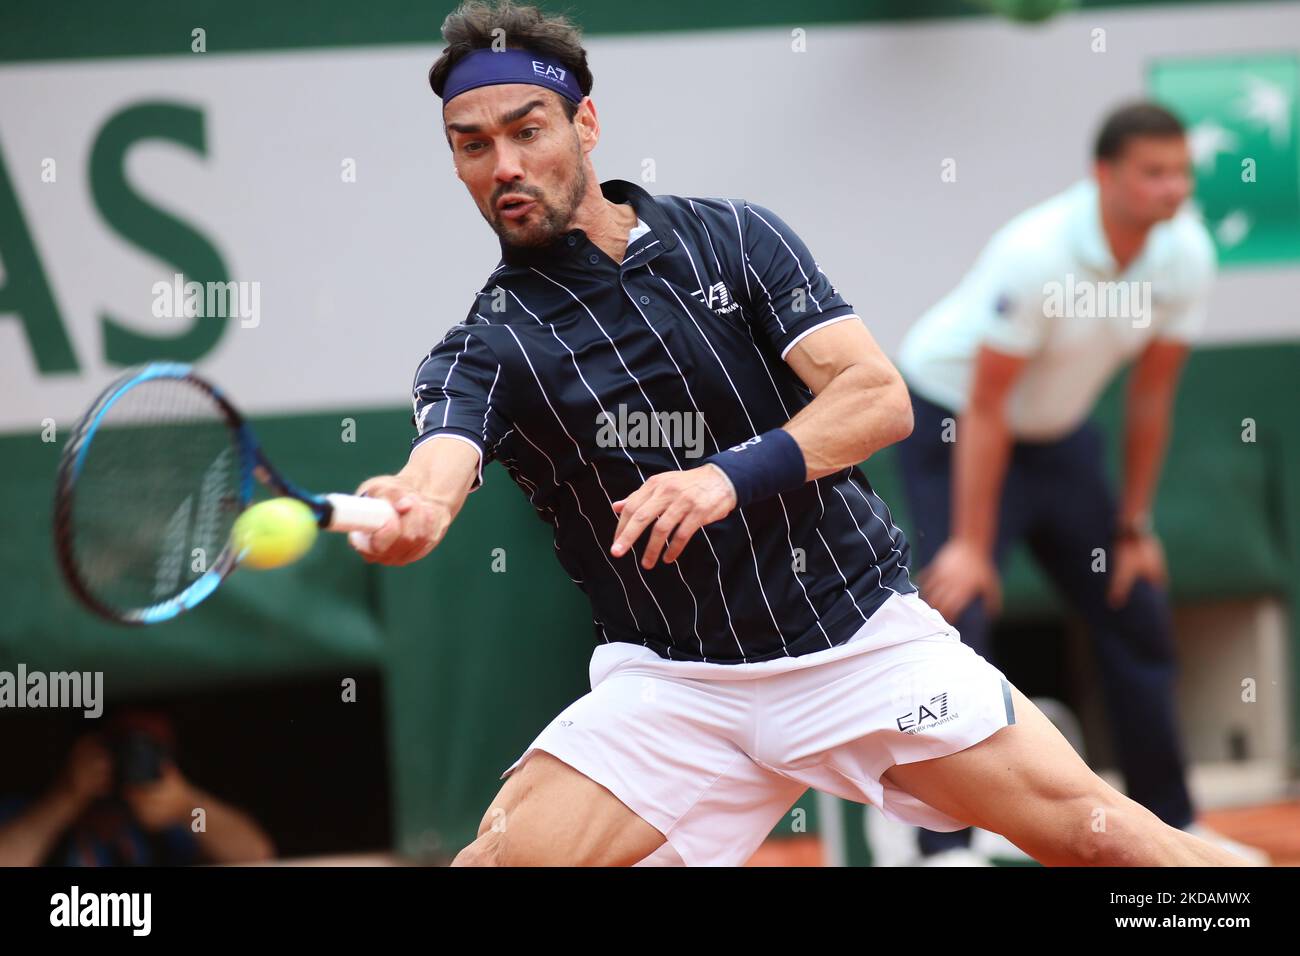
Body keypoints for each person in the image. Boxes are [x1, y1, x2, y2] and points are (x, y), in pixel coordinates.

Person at [353, 1, 1248, 867]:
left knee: (1106, 840)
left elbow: (877, 398)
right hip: (675, 685)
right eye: (472, 146)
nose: (503, 163)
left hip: (860, 643)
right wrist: (411, 509)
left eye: (527, 129)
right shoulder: (483, 349)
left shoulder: (734, 239)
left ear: (585, 123)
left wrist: (722, 477)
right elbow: (438, 472)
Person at [894, 102, 1263, 865]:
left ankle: (1172, 824)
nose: (1172, 189)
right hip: (953, 423)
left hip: (1059, 440)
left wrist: (1134, 528)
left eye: (1182, 173)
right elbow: (988, 406)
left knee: (1134, 606)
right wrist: (971, 543)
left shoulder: (1187, 254)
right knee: (954, 624)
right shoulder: (1037, 253)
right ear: (1106, 175)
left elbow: (1152, 396)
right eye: (1153, 173)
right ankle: (941, 847)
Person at [0, 713, 275, 866]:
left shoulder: (180, 825)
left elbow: (254, 856)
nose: (133, 759)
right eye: (122, 747)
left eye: (150, 749)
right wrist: (64, 799)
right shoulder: (37, 814)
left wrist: (187, 805)